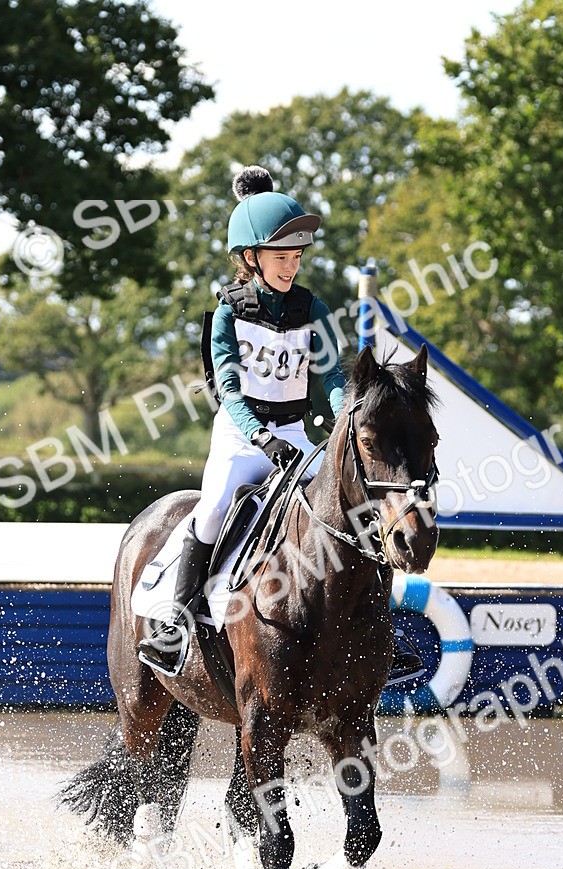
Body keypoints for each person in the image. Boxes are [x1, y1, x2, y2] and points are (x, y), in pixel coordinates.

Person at [137, 165, 424, 685]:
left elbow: (331, 377)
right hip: (241, 433)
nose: (290, 266)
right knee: (215, 506)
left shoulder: (310, 307)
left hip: (296, 433)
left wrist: (344, 419)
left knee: (352, 507)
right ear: (251, 258)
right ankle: (175, 624)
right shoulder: (228, 312)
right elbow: (228, 387)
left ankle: (382, 629)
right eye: (280, 257)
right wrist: (259, 436)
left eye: (295, 257)